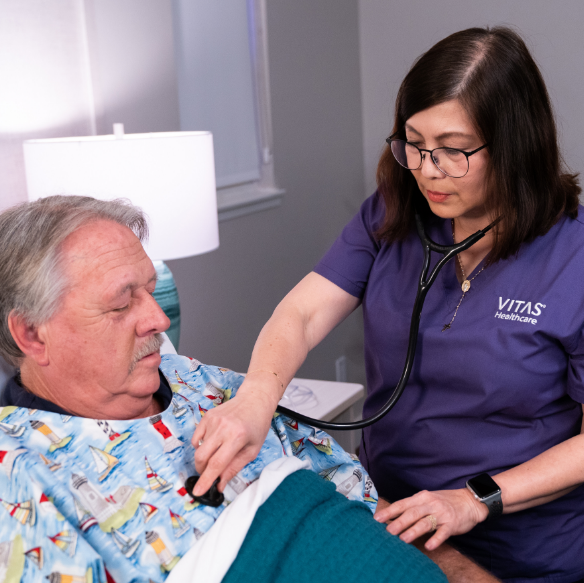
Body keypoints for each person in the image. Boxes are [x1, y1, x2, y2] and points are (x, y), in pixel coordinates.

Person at [192, 26, 584, 583]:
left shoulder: (573, 256)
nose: (427, 169)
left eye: (452, 150)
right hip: (391, 519)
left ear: (517, 145)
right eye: (413, 143)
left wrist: (475, 499)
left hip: (522, 544)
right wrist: (256, 397)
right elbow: (301, 315)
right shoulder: (391, 215)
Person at [0, 195, 450, 583]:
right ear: (34, 336)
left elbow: (356, 496)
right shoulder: (19, 468)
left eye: (152, 291)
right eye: (121, 304)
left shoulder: (195, 379)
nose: (158, 319)